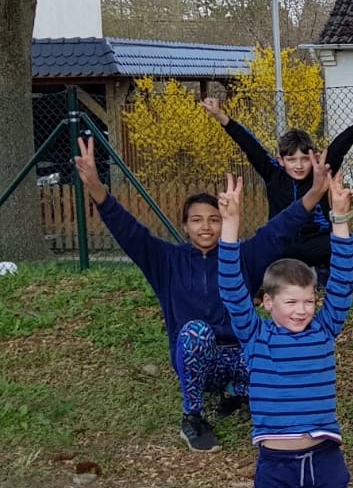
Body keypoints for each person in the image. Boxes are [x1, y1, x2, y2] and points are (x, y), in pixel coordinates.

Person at [72, 134, 331, 453]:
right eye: (196, 220)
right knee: (197, 332)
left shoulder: (244, 256)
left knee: (277, 342)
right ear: (185, 225)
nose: (206, 227)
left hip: (240, 356)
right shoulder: (166, 261)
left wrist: (317, 191)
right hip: (198, 355)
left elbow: (279, 229)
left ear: (225, 223)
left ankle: (238, 391)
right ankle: (193, 417)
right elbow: (129, 231)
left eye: (214, 220)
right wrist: (97, 187)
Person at [217, 171, 353, 488]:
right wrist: (230, 226)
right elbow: (230, 288)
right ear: (268, 303)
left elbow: (343, 283)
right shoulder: (256, 337)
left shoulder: (324, 330)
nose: (302, 311)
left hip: (324, 462)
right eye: (291, 302)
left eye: (308, 301)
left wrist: (340, 221)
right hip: (275, 468)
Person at [204, 96, 353, 274]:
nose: (299, 165)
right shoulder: (273, 174)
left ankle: (323, 269)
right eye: (292, 159)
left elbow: (339, 147)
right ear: (281, 160)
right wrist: (220, 115)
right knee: (249, 258)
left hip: (316, 240)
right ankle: (270, 282)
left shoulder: (320, 173)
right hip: (283, 242)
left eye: (305, 159)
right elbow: (250, 145)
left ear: (315, 158)